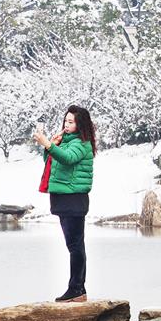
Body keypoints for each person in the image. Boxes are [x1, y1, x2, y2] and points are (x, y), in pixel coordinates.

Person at [34, 105, 96, 303]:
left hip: (74, 198)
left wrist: (49, 145)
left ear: (80, 125)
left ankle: (76, 288)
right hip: (64, 197)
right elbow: (51, 160)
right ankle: (78, 289)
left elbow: (68, 159)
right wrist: (51, 145)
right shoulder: (67, 141)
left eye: (71, 122)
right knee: (74, 245)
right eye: (66, 121)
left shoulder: (81, 143)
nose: (67, 125)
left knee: (75, 245)